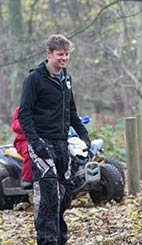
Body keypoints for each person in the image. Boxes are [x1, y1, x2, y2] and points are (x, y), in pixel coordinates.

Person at [18, 34, 90, 245]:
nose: (64, 58)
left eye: (67, 54)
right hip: (41, 141)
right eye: (60, 54)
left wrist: (83, 134)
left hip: (62, 142)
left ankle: (60, 237)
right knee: (48, 195)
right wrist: (35, 142)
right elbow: (24, 113)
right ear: (48, 53)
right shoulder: (34, 79)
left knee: (65, 193)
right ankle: (47, 240)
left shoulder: (66, 78)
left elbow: (72, 110)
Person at [11, 106, 33, 189]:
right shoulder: (23, 107)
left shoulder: (48, 107)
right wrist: (27, 123)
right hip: (23, 141)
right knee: (30, 151)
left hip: (44, 138)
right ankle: (26, 179)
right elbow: (15, 126)